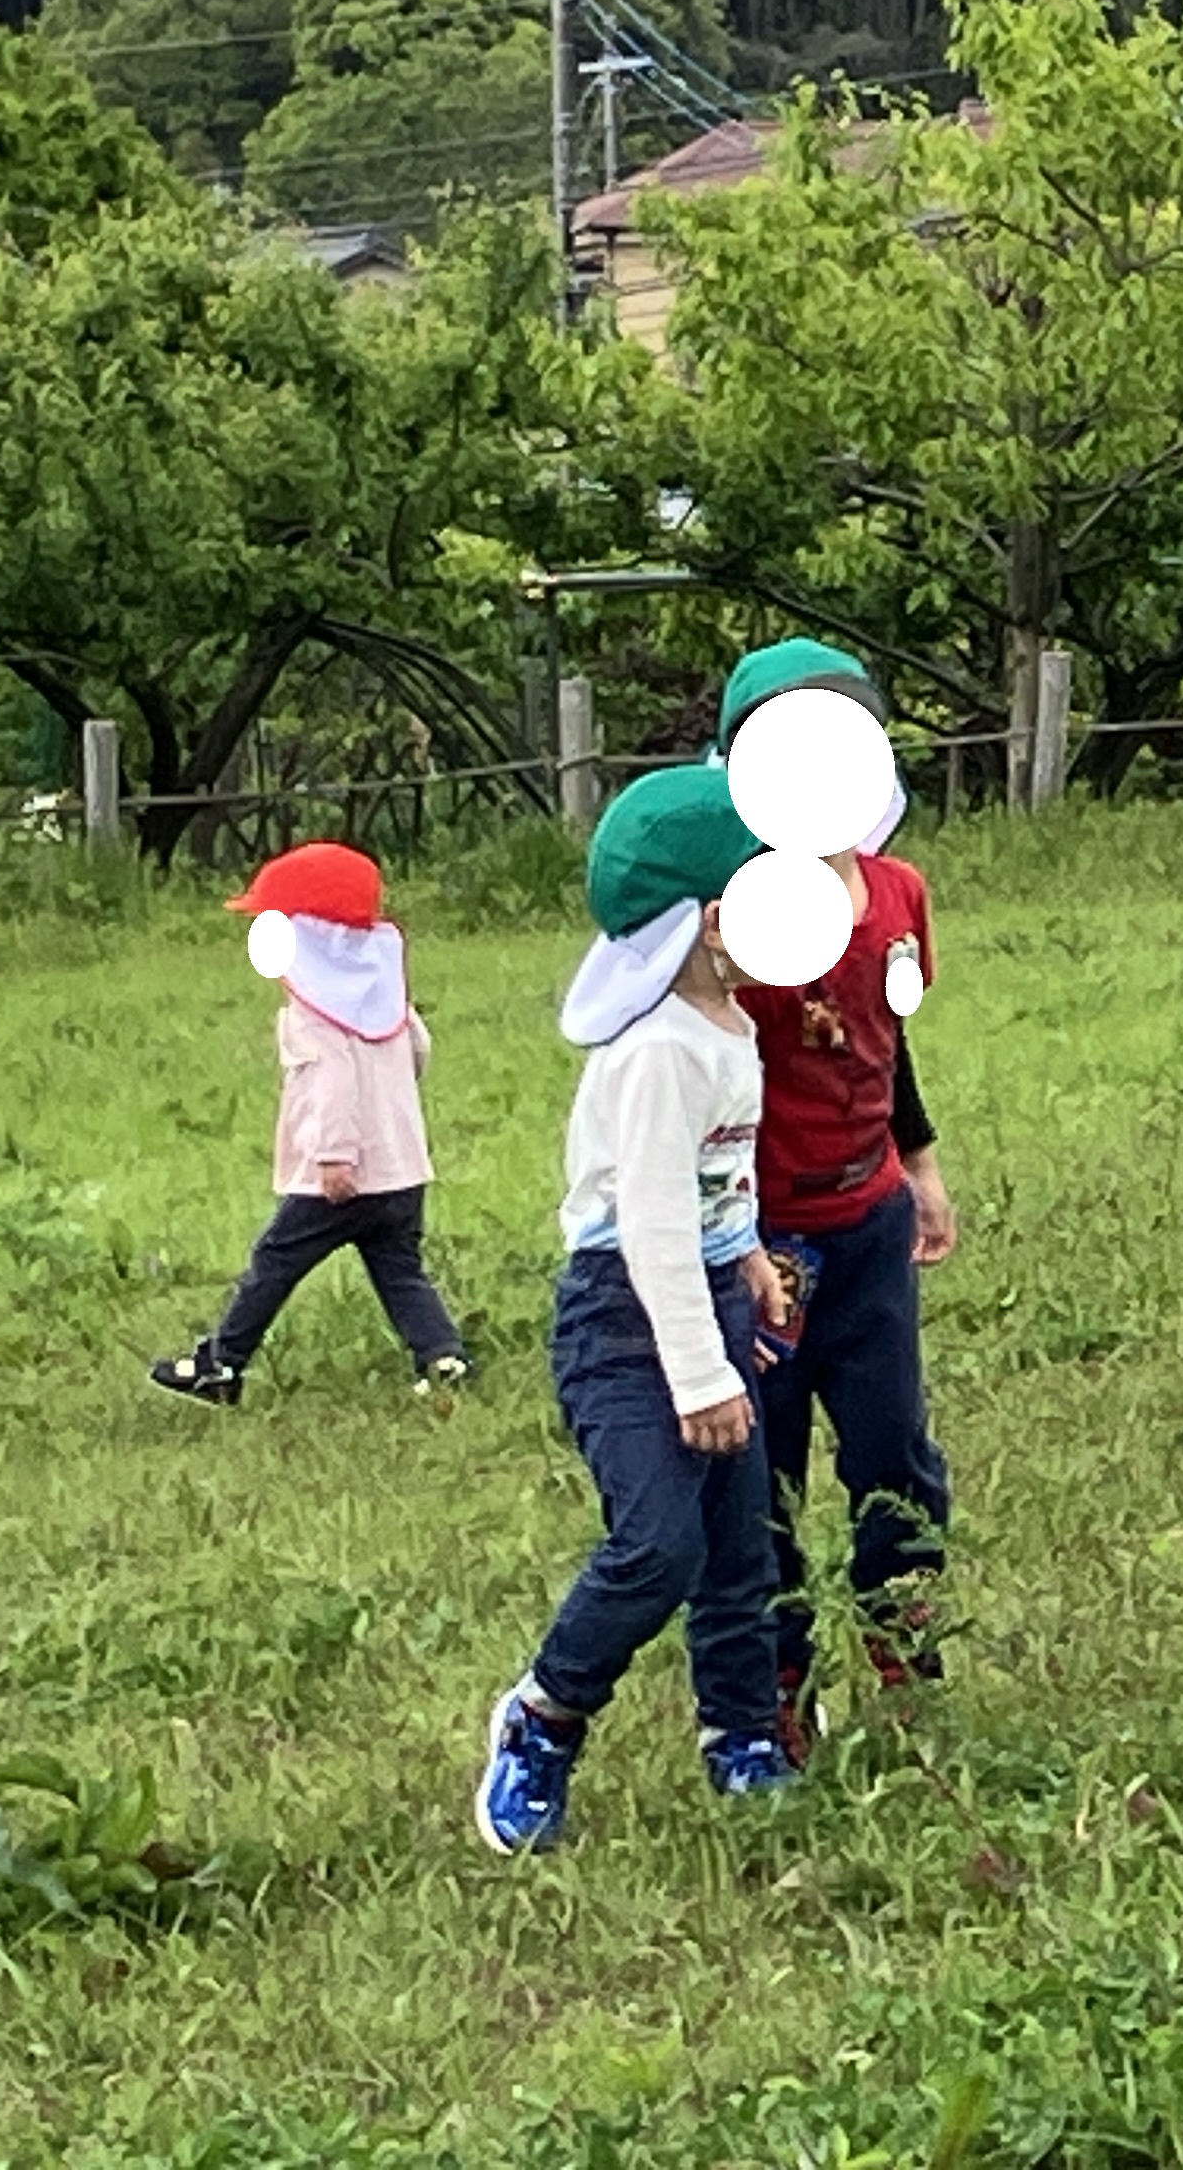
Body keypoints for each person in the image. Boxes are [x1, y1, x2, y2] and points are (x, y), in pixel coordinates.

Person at [475, 766, 799, 1854]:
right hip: (626, 1319)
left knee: (741, 1547)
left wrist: (746, 1255)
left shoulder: (726, 1022)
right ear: (711, 920)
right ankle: (544, 1716)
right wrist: (699, 1376)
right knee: (659, 1545)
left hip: (708, 1300)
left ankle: (742, 1733)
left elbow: (715, 1179)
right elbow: (651, 1218)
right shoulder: (661, 1047)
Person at [714, 640, 956, 1755]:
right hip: (754, 1240)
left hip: (869, 1225)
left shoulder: (898, 895)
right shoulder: (726, 919)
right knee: (759, 1468)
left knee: (892, 1447)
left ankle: (902, 1638)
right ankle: (776, 1674)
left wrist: (921, 1165)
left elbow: (885, 1045)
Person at [151, 843, 467, 1407]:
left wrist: (335, 1155)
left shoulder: (315, 1018)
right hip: (401, 1171)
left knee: (274, 1263)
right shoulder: (387, 1000)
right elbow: (419, 1052)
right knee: (399, 1269)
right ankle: (442, 1356)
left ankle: (222, 1362)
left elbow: (333, 1085)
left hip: (340, 1180)